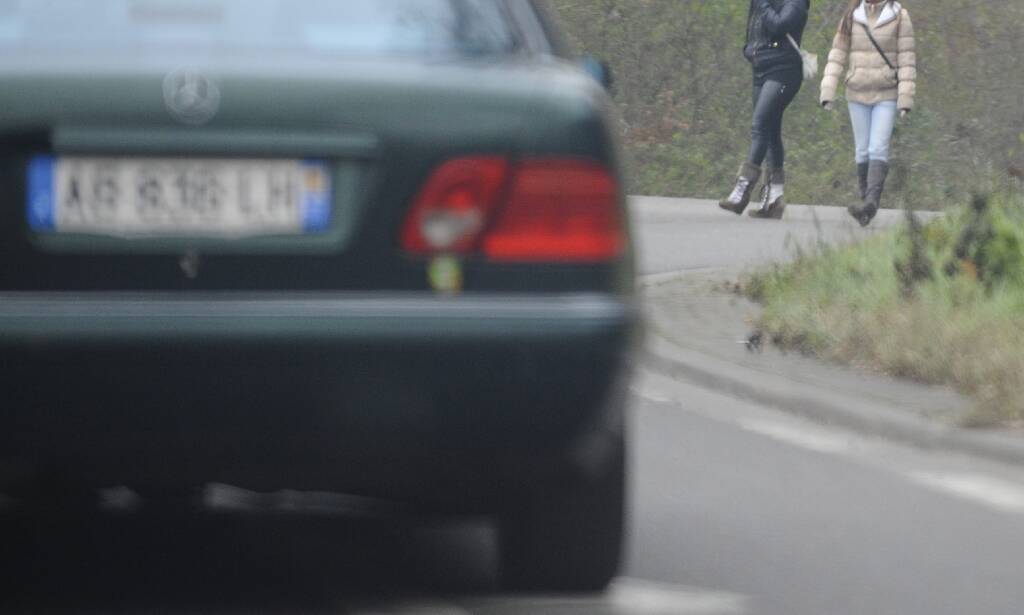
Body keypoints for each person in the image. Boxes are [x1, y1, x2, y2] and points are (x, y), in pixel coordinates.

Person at [820, 0, 916, 226]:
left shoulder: (899, 16)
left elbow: (907, 59)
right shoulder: (851, 15)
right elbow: (837, 54)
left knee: (878, 147)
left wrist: (905, 98)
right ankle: (864, 206)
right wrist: (827, 90)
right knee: (862, 150)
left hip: (886, 93)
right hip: (856, 93)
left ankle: (871, 202)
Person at [719, 0, 811, 220]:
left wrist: (762, 3)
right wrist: (748, 49)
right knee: (770, 130)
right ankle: (774, 199)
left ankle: (742, 190)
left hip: (784, 70)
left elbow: (780, 25)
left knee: (759, 124)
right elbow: (754, 26)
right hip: (761, 67)